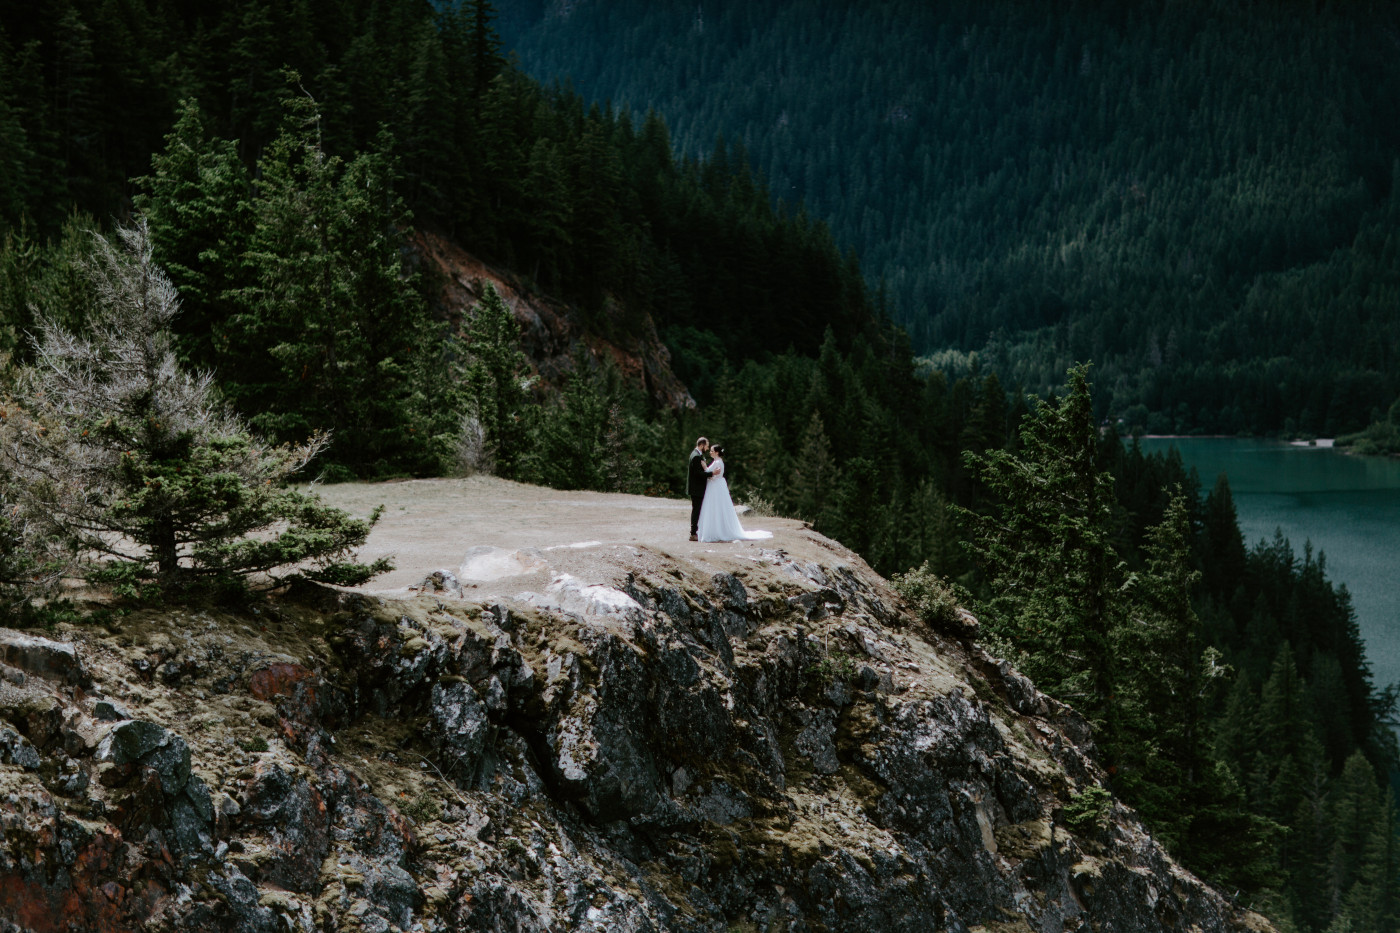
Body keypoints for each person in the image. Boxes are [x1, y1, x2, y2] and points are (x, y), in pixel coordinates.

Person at [697, 445, 772, 542]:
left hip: (716, 486)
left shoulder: (718, 462)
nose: (710, 452)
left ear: (717, 452)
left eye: (712, 451)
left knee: (717, 507)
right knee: (715, 507)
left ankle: (718, 530)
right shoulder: (716, 461)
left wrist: (704, 466)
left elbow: (712, 474)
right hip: (715, 486)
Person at [687, 437, 711, 541]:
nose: (707, 448)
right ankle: (693, 533)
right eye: (707, 446)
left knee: (697, 509)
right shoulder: (696, 456)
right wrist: (711, 473)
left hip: (696, 488)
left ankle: (695, 532)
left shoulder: (696, 454)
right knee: (696, 510)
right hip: (697, 488)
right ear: (701, 445)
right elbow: (698, 474)